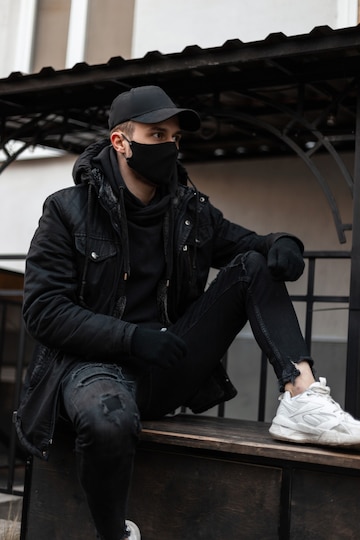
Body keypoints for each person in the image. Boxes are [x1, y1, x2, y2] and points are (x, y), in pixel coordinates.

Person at [15, 85, 360, 540]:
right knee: (107, 422)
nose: (170, 148)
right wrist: (131, 338)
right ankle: (113, 532)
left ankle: (302, 396)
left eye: (175, 138)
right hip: (94, 370)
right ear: (121, 141)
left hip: (167, 365)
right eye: (157, 135)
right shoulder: (66, 210)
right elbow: (43, 311)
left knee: (253, 266)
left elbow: (251, 248)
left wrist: (284, 244)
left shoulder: (190, 210)